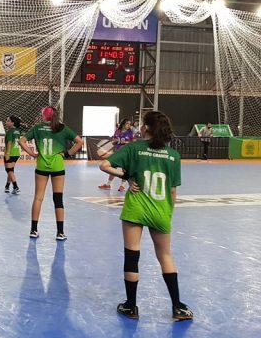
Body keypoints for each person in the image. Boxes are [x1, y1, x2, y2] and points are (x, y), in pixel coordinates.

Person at [99, 111, 193, 321]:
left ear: (146, 129)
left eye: (142, 124)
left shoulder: (134, 148)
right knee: (165, 256)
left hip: (136, 208)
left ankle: (131, 306)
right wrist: (168, 213)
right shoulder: (173, 155)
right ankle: (177, 306)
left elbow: (104, 165)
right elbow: (173, 191)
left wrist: (127, 175)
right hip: (161, 211)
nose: (139, 127)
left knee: (132, 256)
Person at [19, 106, 83, 241]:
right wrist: (67, 154)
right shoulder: (62, 128)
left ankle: (33, 230)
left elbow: (21, 141)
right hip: (57, 167)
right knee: (58, 198)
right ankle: (60, 233)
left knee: (38, 198)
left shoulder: (37, 128)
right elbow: (79, 142)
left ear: (43, 115)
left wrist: (32, 154)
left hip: (41, 165)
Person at [99, 119, 134, 192]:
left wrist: (126, 142)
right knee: (112, 168)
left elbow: (132, 143)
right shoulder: (117, 131)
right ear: (123, 124)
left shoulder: (130, 132)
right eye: (127, 123)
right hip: (117, 152)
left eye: (129, 124)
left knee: (124, 169)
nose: (129, 125)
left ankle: (122, 186)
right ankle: (108, 184)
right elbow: (113, 141)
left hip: (125, 153)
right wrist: (114, 141)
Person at [4, 115, 22, 194]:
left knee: (9, 170)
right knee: (11, 171)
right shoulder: (17, 131)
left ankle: (15, 187)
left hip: (10, 153)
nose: (6, 122)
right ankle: (7, 186)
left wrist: (7, 153)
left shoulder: (10, 131)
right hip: (16, 153)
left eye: (8, 121)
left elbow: (10, 142)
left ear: (12, 123)